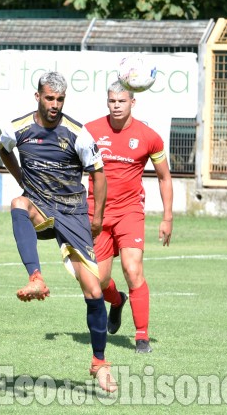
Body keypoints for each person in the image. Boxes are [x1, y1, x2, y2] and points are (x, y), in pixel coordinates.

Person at [0, 71, 117, 393]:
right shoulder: (19, 128)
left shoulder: (77, 134)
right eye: (49, 98)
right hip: (40, 206)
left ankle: (99, 362)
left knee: (93, 291)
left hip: (73, 212)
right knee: (17, 202)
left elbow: (99, 176)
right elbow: (3, 148)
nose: (54, 105)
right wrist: (22, 177)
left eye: (60, 99)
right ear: (38, 97)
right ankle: (35, 276)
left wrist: (97, 218)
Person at [85, 80, 174, 354]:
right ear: (107, 102)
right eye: (112, 101)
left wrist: (167, 217)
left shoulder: (149, 136)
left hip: (129, 212)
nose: (116, 106)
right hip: (96, 213)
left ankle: (142, 337)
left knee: (132, 269)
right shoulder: (89, 131)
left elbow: (164, 177)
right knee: (97, 282)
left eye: (121, 101)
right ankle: (117, 300)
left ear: (132, 103)